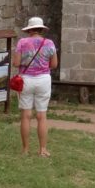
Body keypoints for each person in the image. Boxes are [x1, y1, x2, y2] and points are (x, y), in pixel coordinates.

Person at [12, 16, 58, 157]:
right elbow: (54, 64)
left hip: (26, 80)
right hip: (43, 79)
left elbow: (16, 63)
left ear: (29, 30)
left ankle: (25, 150)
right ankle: (42, 149)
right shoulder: (49, 43)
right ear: (41, 29)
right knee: (41, 115)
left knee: (26, 116)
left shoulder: (22, 42)